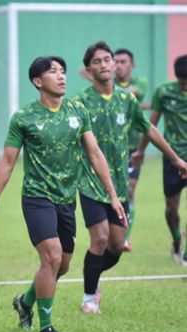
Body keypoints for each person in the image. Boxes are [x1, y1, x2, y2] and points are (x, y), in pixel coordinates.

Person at [0, 56, 123, 332]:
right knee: (52, 257)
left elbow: (94, 154)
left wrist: (113, 195)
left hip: (67, 199)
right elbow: (8, 162)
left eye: (63, 72)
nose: (61, 76)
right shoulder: (24, 117)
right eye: (53, 72)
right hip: (36, 198)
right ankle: (47, 328)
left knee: (62, 265)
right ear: (37, 81)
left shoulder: (77, 110)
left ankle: (25, 302)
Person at [75, 41, 187, 314]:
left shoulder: (127, 100)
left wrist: (174, 158)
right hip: (90, 182)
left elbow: (149, 129)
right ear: (88, 69)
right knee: (99, 239)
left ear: (115, 65)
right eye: (97, 61)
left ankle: (94, 276)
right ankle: (89, 297)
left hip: (119, 184)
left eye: (107, 59)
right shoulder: (79, 102)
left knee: (115, 245)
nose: (104, 64)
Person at [133, 54, 187, 264]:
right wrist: (141, 151)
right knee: (171, 207)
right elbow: (151, 124)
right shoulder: (164, 92)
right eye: (182, 81)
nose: (184, 85)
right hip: (173, 157)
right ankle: (176, 238)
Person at [113, 48, 151, 251]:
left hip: (132, 148)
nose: (118, 65)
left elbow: (132, 94)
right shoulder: (106, 86)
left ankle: (126, 238)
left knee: (129, 190)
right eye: (115, 61)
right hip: (109, 149)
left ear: (132, 65)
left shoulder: (139, 83)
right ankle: (111, 234)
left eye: (122, 61)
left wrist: (99, 85)